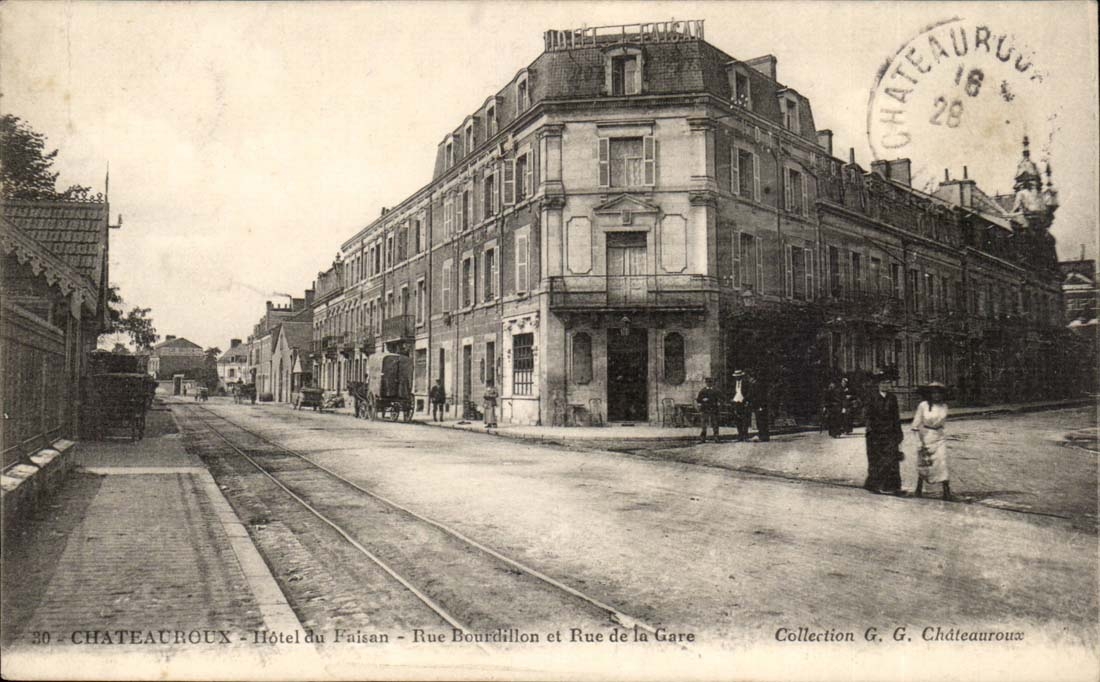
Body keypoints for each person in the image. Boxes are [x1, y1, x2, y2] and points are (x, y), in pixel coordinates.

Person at [863, 370, 903, 495]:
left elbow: (896, 416)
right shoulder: (872, 397)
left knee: (892, 459)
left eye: (888, 383)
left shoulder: (892, 398)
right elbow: (867, 415)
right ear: (878, 384)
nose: (886, 385)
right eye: (884, 383)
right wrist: (869, 429)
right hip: (876, 433)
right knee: (877, 459)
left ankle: (893, 486)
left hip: (890, 432)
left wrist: (899, 432)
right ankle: (874, 485)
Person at [912, 382, 953, 501]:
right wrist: (918, 441)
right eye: (933, 393)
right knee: (925, 463)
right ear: (929, 394)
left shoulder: (944, 406)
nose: (936, 395)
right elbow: (915, 424)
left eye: (939, 393)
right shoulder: (923, 405)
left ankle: (946, 491)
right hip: (925, 436)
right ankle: (918, 488)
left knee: (942, 462)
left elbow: (942, 423)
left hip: (939, 437)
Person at [695, 377, 723, 443]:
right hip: (705, 409)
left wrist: (719, 402)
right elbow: (698, 399)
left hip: (714, 409)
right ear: (706, 383)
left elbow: (721, 398)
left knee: (715, 423)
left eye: (710, 382)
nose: (709, 383)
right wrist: (702, 400)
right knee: (704, 424)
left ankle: (716, 437)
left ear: (712, 383)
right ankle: (703, 438)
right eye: (708, 382)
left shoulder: (716, 390)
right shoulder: (703, 391)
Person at [729, 369, 751, 442]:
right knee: (737, 419)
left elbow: (749, 392)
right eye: (736, 377)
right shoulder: (733, 383)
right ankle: (740, 435)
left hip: (743, 402)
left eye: (739, 376)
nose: (738, 378)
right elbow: (730, 392)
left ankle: (745, 436)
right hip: (736, 402)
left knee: (745, 419)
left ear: (741, 376)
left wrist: (746, 399)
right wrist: (731, 399)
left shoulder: (746, 383)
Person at [749, 373, 771, 442]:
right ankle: (764, 436)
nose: (749, 380)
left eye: (750, 378)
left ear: (752, 378)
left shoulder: (757, 385)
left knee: (761, 421)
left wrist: (760, 406)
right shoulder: (756, 384)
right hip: (758, 405)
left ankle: (763, 436)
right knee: (760, 421)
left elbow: (760, 396)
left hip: (760, 405)